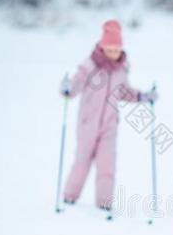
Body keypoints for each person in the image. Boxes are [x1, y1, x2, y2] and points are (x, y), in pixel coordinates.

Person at [59, 20, 157, 211]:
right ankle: (69, 196)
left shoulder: (121, 69)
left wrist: (143, 96)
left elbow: (124, 92)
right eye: (110, 49)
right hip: (87, 123)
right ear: (102, 47)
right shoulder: (89, 66)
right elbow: (74, 87)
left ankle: (104, 202)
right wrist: (67, 88)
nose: (114, 53)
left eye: (117, 49)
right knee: (82, 160)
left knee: (107, 164)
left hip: (109, 126)